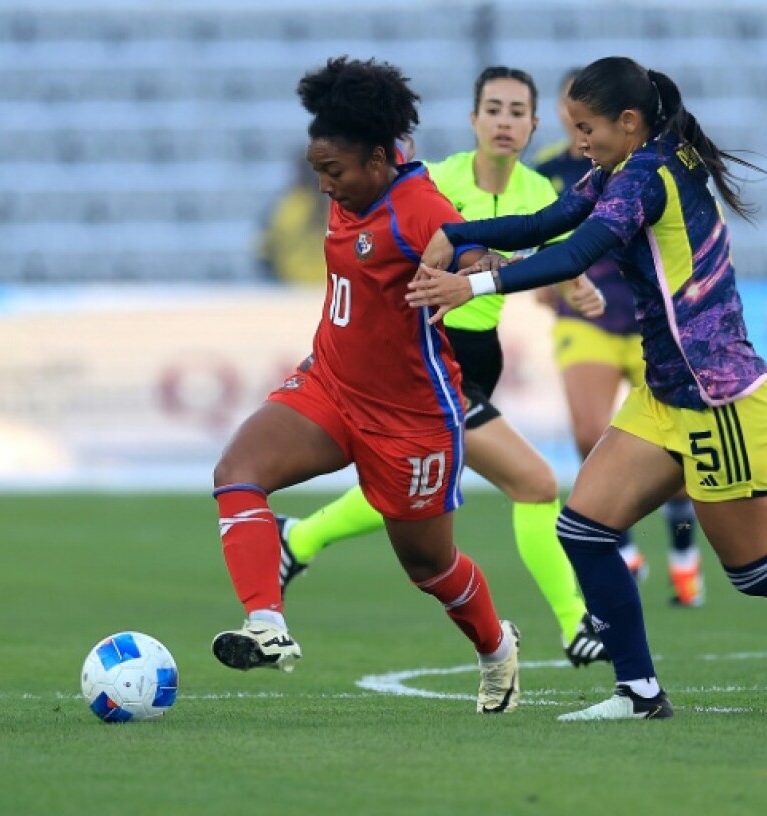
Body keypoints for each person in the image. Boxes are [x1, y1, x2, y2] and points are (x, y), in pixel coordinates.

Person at [408, 56, 767, 721]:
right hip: (669, 395)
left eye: (586, 127)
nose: (578, 143)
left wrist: (474, 282)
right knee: (584, 529)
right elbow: (550, 223)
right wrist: (456, 232)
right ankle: (638, 692)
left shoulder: (645, 178)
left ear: (628, 123)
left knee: (757, 570)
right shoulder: (632, 163)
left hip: (722, 399)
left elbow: (574, 254)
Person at [211, 56, 521, 714]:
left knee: (430, 569)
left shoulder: (418, 207)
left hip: (410, 421)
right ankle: (267, 626)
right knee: (237, 471)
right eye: (317, 171)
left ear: (378, 159)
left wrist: (475, 268)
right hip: (330, 384)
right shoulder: (361, 174)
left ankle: (497, 648)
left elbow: (468, 249)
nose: (325, 188)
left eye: (334, 173)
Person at [275, 65, 612, 669]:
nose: (505, 122)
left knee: (404, 491)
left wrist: (575, 289)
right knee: (534, 484)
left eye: (517, 112)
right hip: (433, 358)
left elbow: (548, 256)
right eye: (494, 109)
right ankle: (575, 624)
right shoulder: (439, 183)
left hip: (481, 360)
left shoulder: (539, 193)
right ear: (474, 120)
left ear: (535, 124)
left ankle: (297, 540)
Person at [534, 66, 704, 606]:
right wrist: (544, 273)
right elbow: (542, 227)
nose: (577, 121)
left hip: (648, 322)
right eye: (569, 107)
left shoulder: (644, 169)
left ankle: (684, 561)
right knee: (589, 434)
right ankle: (626, 553)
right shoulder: (551, 169)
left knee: (674, 458)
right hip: (585, 320)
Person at [254, 149, 327, 285]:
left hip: (293, 293)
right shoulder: (343, 207)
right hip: (326, 293)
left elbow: (264, 255)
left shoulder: (282, 207)